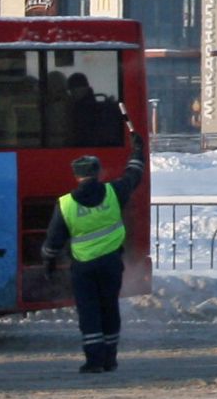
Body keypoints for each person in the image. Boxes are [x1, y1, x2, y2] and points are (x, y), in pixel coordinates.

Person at [42, 130, 147, 374]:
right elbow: (134, 175)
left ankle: (94, 361)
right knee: (109, 307)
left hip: (83, 266)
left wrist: (48, 262)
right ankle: (110, 358)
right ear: (97, 173)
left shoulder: (65, 204)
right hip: (111, 263)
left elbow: (53, 241)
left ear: (77, 177)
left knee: (89, 312)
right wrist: (137, 152)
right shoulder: (113, 192)